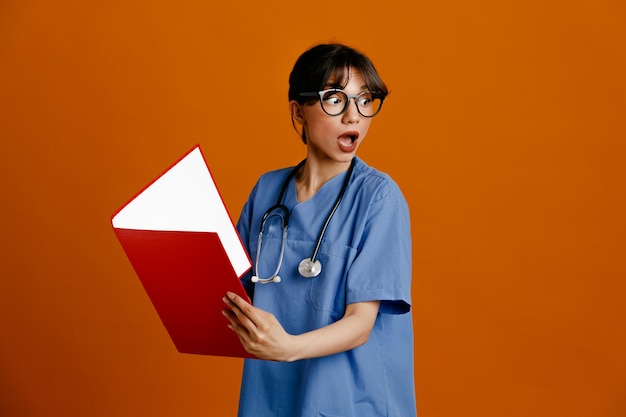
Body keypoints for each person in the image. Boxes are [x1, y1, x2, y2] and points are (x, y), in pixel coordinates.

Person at [222, 43, 416, 417]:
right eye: (334, 99)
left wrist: (288, 347)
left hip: (350, 399)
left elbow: (360, 324)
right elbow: (231, 291)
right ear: (299, 112)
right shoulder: (267, 191)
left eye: (364, 100)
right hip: (272, 395)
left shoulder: (378, 198)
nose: (353, 116)